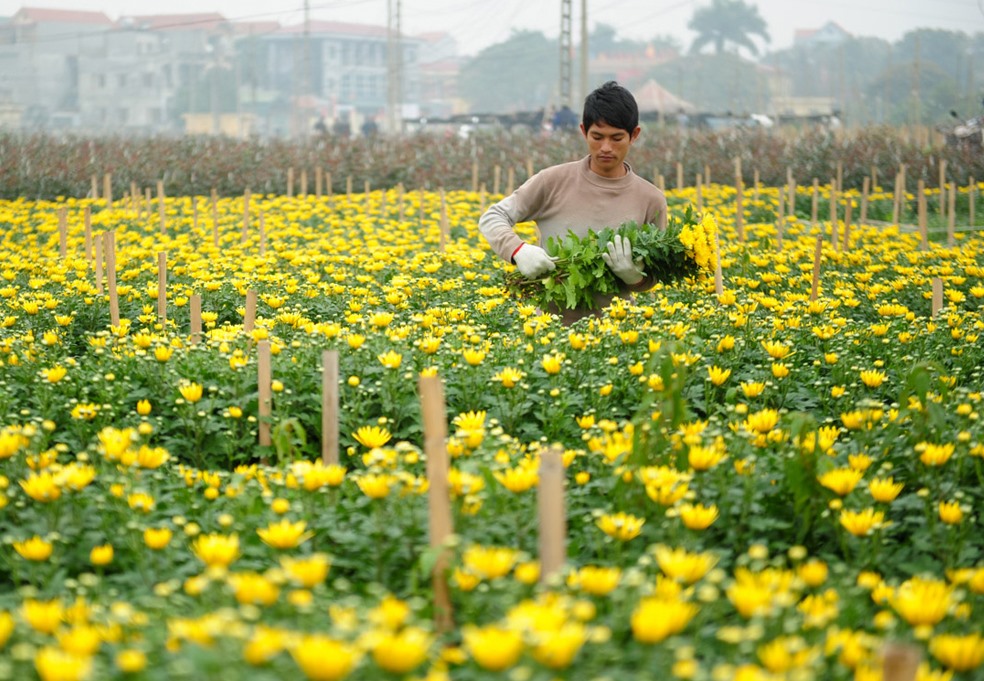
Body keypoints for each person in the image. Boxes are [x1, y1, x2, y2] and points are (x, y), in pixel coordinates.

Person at [479, 81, 667, 325]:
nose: (606, 148)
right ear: (583, 131)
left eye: (617, 138)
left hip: (619, 336)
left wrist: (634, 277)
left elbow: (654, 275)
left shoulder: (650, 199)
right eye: (597, 137)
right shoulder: (552, 181)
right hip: (550, 332)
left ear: (635, 135)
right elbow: (492, 217)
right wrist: (517, 250)